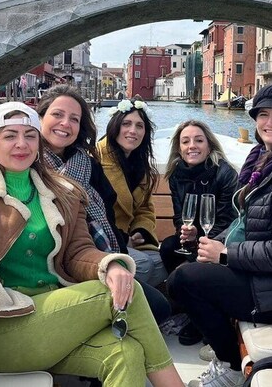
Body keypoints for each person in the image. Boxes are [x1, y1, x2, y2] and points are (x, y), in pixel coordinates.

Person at [0, 102, 183, 386]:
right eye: (10, 135)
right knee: (117, 294)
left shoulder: (65, 193)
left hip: (57, 317)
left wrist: (110, 265)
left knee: (126, 353)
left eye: (30, 135)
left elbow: (79, 252)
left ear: (39, 144)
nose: (22, 144)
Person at [168, 84, 272, 387]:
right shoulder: (265, 156)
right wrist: (213, 242)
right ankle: (219, 344)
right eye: (263, 115)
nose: (269, 123)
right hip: (270, 277)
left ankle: (232, 367)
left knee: (183, 281)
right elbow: (245, 223)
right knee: (186, 259)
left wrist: (225, 254)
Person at [36, 86, 171, 324]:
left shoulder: (87, 164)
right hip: (61, 257)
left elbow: (115, 213)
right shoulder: (28, 160)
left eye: (74, 119)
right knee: (150, 283)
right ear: (40, 117)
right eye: (57, 115)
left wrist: (134, 236)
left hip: (96, 250)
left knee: (163, 267)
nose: (65, 124)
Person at [160, 120, 239, 346]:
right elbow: (179, 215)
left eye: (198, 140)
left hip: (221, 239)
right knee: (168, 247)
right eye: (185, 141)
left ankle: (200, 319)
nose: (191, 146)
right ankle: (189, 309)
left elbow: (228, 220)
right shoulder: (176, 174)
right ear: (179, 147)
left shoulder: (224, 173)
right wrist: (185, 231)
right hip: (196, 236)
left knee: (198, 258)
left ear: (209, 145)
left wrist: (202, 236)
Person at [96, 98, 167, 286]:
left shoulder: (139, 165)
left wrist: (140, 231)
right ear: (114, 127)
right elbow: (91, 212)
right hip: (104, 241)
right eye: (126, 124)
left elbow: (144, 208)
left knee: (162, 263)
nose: (133, 131)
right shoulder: (96, 159)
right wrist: (123, 239)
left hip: (131, 238)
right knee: (143, 265)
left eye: (139, 126)